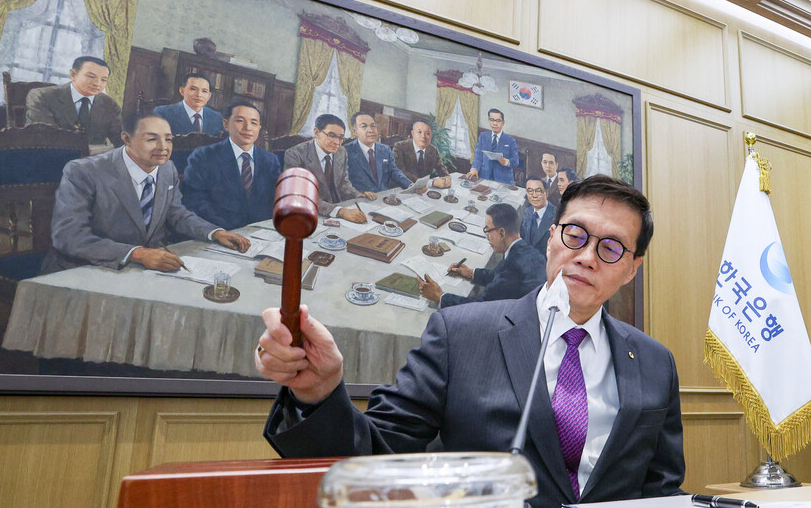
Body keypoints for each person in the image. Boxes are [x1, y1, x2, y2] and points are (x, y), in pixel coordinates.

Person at [254, 174, 684, 508]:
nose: (587, 256)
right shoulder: (460, 334)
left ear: (632, 268)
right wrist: (320, 392)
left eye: (611, 247)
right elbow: (375, 456)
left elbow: (661, 488)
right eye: (575, 235)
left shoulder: (654, 362)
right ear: (552, 236)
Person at [41, 111, 250, 274]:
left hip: (145, 268)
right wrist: (137, 254)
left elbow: (177, 213)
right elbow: (68, 236)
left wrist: (215, 232)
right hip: (85, 268)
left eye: (168, 139)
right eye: (152, 139)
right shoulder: (83, 171)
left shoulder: (167, 169)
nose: (163, 147)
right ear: (126, 138)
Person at [418, 203, 546, 308]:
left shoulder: (511, 265)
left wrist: (439, 296)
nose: (487, 237)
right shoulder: (527, 252)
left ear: (501, 233)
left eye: (487, 230)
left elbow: (480, 306)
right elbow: (501, 279)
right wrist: (471, 273)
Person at [181, 101, 280, 231]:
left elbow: (276, 200)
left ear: (259, 128)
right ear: (226, 124)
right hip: (219, 232)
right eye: (240, 121)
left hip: (259, 233)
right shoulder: (203, 156)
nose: (248, 128)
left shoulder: (270, 160)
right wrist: (226, 231)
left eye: (254, 123)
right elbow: (194, 201)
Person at [284, 114, 376, 223]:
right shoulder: (295, 154)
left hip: (335, 211)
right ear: (317, 132)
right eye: (331, 135)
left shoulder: (341, 152)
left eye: (341, 137)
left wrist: (357, 194)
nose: (337, 142)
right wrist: (340, 211)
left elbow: (343, 183)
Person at [25, 56, 123, 146]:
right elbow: (44, 136)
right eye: (91, 77)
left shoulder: (110, 104)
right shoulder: (43, 96)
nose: (97, 83)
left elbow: (121, 140)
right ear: (73, 74)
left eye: (103, 80)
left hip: (91, 162)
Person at [344, 112, 412, 193]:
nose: (370, 130)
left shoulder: (385, 149)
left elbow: (394, 171)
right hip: (360, 199)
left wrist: (409, 184)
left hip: (383, 197)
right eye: (364, 126)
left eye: (373, 126)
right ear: (355, 131)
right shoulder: (346, 151)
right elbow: (343, 183)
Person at [152, 73, 226, 136]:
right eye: (193, 89)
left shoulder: (217, 117)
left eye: (204, 91)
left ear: (209, 96)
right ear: (182, 91)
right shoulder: (163, 113)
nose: (199, 95)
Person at [392, 120, 451, 188]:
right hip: (402, 188)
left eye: (427, 133)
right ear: (413, 133)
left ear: (431, 136)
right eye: (419, 132)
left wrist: (446, 177)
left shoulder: (433, 150)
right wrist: (431, 183)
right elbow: (401, 172)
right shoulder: (399, 147)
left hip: (424, 191)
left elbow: (440, 167)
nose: (423, 136)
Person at [466, 108, 518, 184]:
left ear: (503, 123)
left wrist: (507, 162)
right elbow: (478, 156)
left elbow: (516, 161)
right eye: (492, 120)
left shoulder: (510, 140)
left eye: (498, 121)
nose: (495, 123)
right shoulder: (483, 136)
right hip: (484, 177)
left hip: (503, 179)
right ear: (489, 121)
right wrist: (474, 169)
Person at [521, 176, 556, 255]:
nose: (534, 195)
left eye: (538, 191)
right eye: (530, 191)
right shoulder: (528, 211)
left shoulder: (556, 216)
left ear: (546, 193)